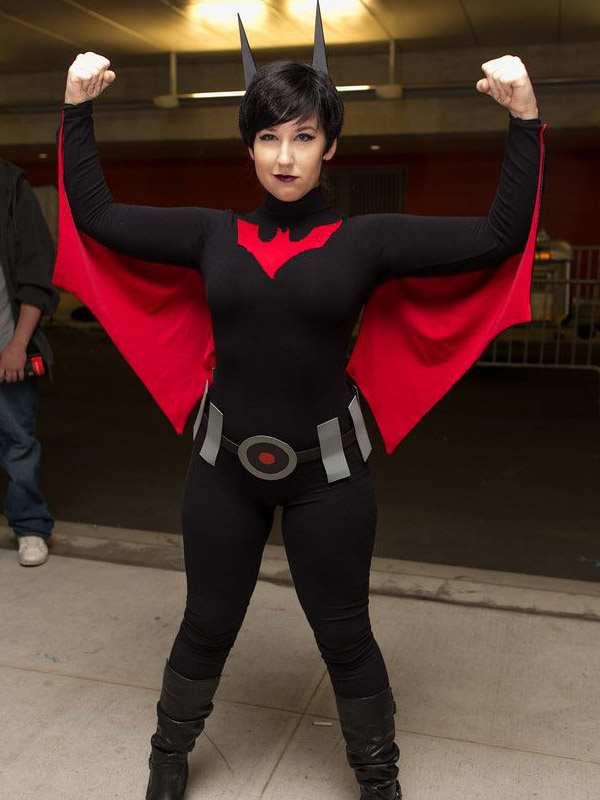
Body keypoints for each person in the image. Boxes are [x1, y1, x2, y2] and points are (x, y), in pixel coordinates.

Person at [57, 5, 543, 798]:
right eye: (269, 138)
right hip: (222, 469)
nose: (286, 157)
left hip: (330, 476)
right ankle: (167, 760)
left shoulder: (367, 241)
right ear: (249, 146)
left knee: (345, 636)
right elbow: (97, 216)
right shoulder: (212, 235)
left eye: (304, 136)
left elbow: (500, 233)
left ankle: (378, 779)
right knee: (207, 625)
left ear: (330, 147)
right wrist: (76, 108)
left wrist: (524, 117)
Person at [0, 158, 57, 567]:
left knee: (18, 440)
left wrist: (18, 345)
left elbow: (38, 272)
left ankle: (30, 527)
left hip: (6, 346)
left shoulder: (10, 185)